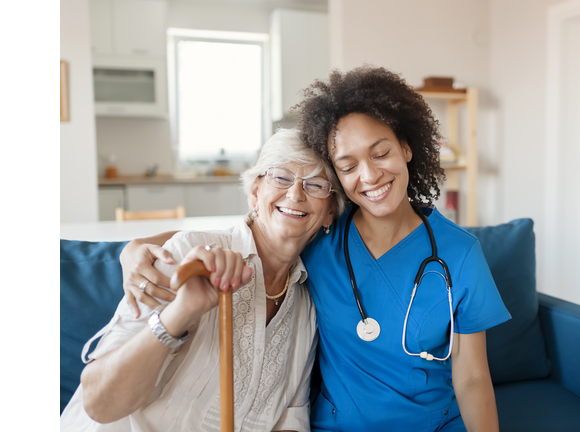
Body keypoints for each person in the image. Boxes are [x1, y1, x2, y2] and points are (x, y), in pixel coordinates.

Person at [120, 66, 511, 432]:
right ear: (337, 177)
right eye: (348, 164)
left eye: (381, 153)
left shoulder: (460, 255)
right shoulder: (322, 235)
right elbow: (244, 231)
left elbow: (473, 376)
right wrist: (134, 247)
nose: (370, 175)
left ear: (406, 148)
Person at [60, 128, 344, 432]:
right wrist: (182, 310)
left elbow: (290, 419)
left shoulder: (308, 305)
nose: (296, 194)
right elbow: (99, 403)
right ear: (255, 193)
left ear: (329, 212)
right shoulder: (186, 253)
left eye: (315, 185)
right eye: (281, 177)